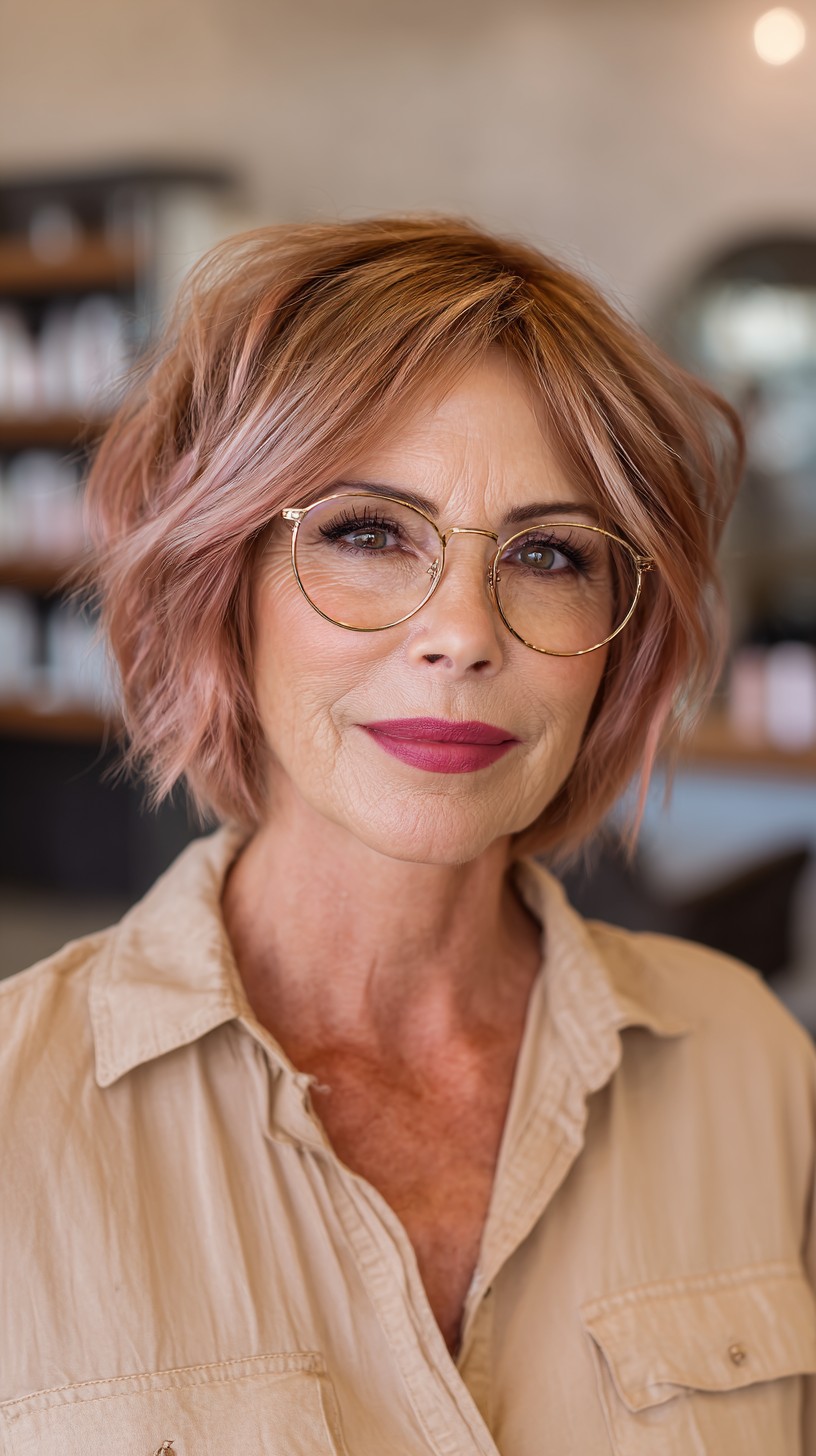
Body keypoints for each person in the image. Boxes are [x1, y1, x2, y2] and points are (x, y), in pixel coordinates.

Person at [1, 217, 815, 1456]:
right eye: (369, 533)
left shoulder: (755, 1070)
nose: (464, 633)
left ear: (620, 645)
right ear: (221, 588)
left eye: (549, 553)